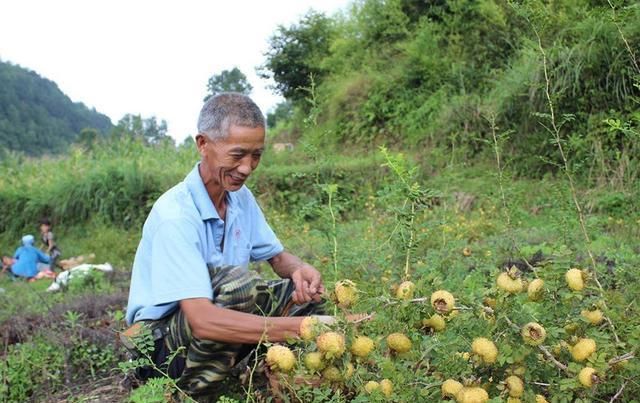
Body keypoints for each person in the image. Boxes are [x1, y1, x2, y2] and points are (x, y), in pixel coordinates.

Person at [125, 93, 348, 398]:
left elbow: (277, 257)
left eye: (256, 155)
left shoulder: (239, 198)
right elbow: (203, 320)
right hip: (159, 345)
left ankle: (283, 385)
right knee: (238, 287)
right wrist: (302, 328)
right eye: (238, 154)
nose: (247, 167)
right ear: (203, 144)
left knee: (304, 297)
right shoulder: (175, 215)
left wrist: (299, 268)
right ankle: (189, 395)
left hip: (208, 325)